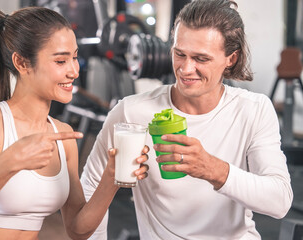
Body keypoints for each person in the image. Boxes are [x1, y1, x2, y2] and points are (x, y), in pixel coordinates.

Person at [80, 0, 293, 239]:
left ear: (230, 59)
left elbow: (279, 201)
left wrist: (213, 169)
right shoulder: (131, 112)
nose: (186, 69)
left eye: (201, 59)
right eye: (179, 54)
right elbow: (90, 189)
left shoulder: (255, 109)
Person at [0, 7, 149, 240]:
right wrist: (9, 162)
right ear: (21, 63)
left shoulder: (63, 135)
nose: (73, 70)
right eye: (61, 60)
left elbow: (78, 230)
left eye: (74, 57)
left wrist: (111, 178)